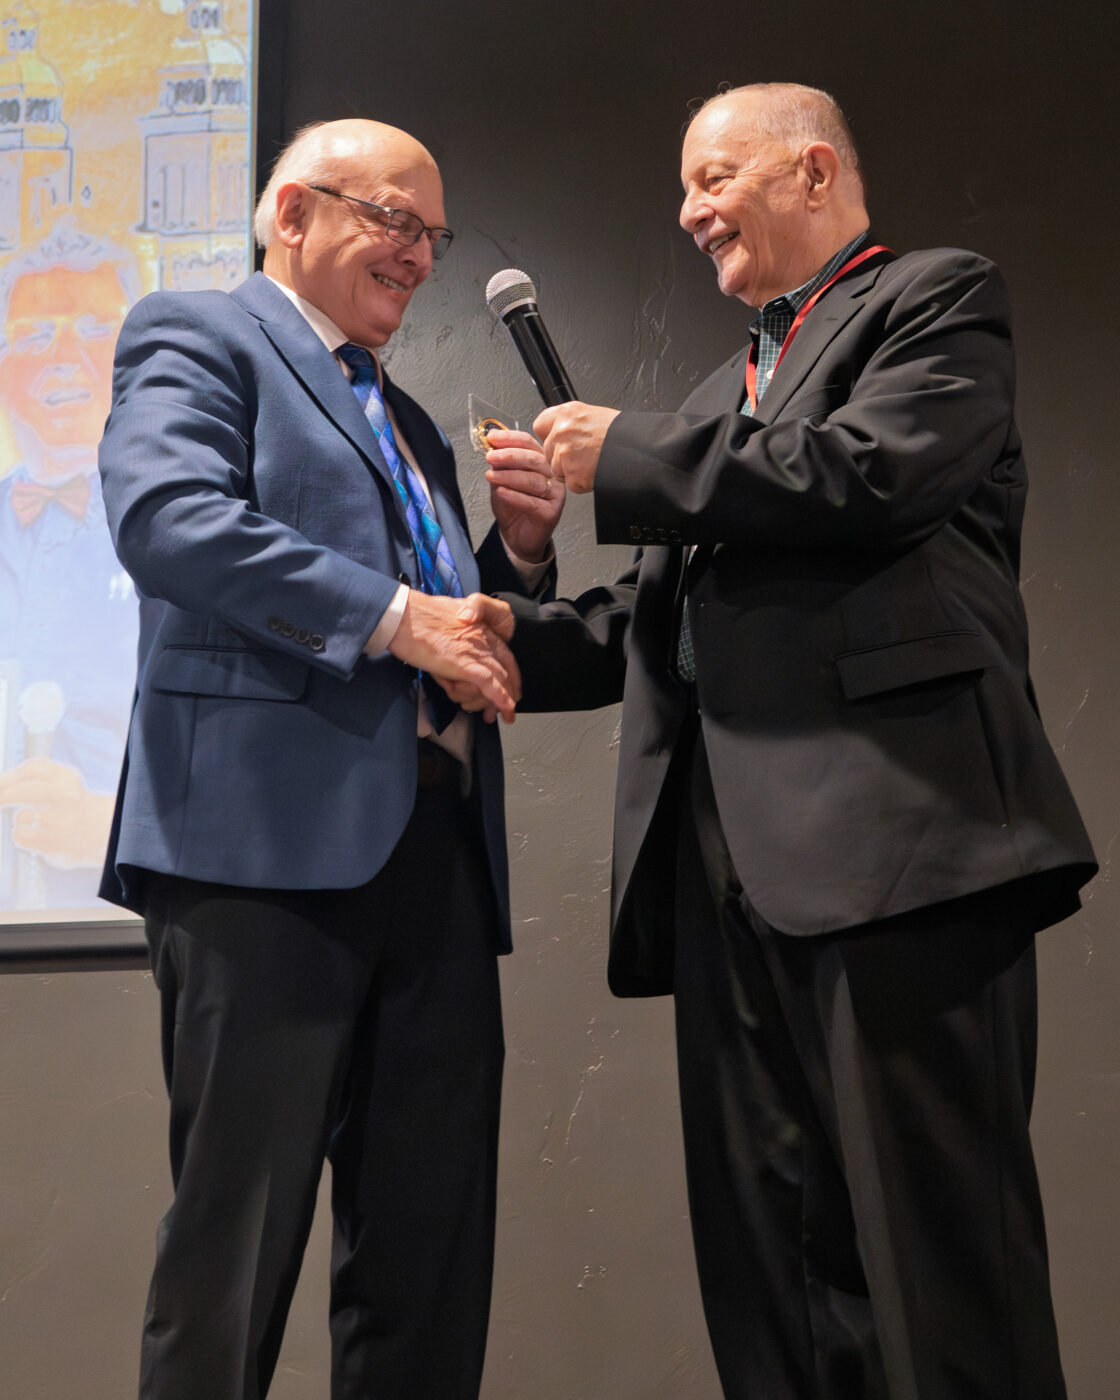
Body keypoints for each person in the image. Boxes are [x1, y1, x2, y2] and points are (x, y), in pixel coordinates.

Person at [488, 83, 1097, 1400]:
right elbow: (640, 626)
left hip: (903, 848)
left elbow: (868, 476)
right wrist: (504, 597)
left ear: (811, 172)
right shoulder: (726, 386)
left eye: (714, 177)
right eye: (687, 187)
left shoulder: (936, 301)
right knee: (769, 1273)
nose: (689, 210)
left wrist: (635, 454)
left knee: (939, 1267)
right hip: (725, 880)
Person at [97, 118, 561, 1400]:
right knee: (232, 1254)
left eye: (434, 235)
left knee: (427, 1256)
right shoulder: (197, 334)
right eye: (392, 220)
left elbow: (439, 607)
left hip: (438, 858)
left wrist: (512, 560)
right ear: (291, 212)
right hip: (259, 854)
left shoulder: (401, 411)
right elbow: (169, 520)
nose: (419, 256)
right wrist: (406, 617)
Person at [0, 226, 139, 908]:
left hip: (125, 914)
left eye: (91, 330)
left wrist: (116, 826)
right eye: (31, 337)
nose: (61, 359)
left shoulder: (187, 539)